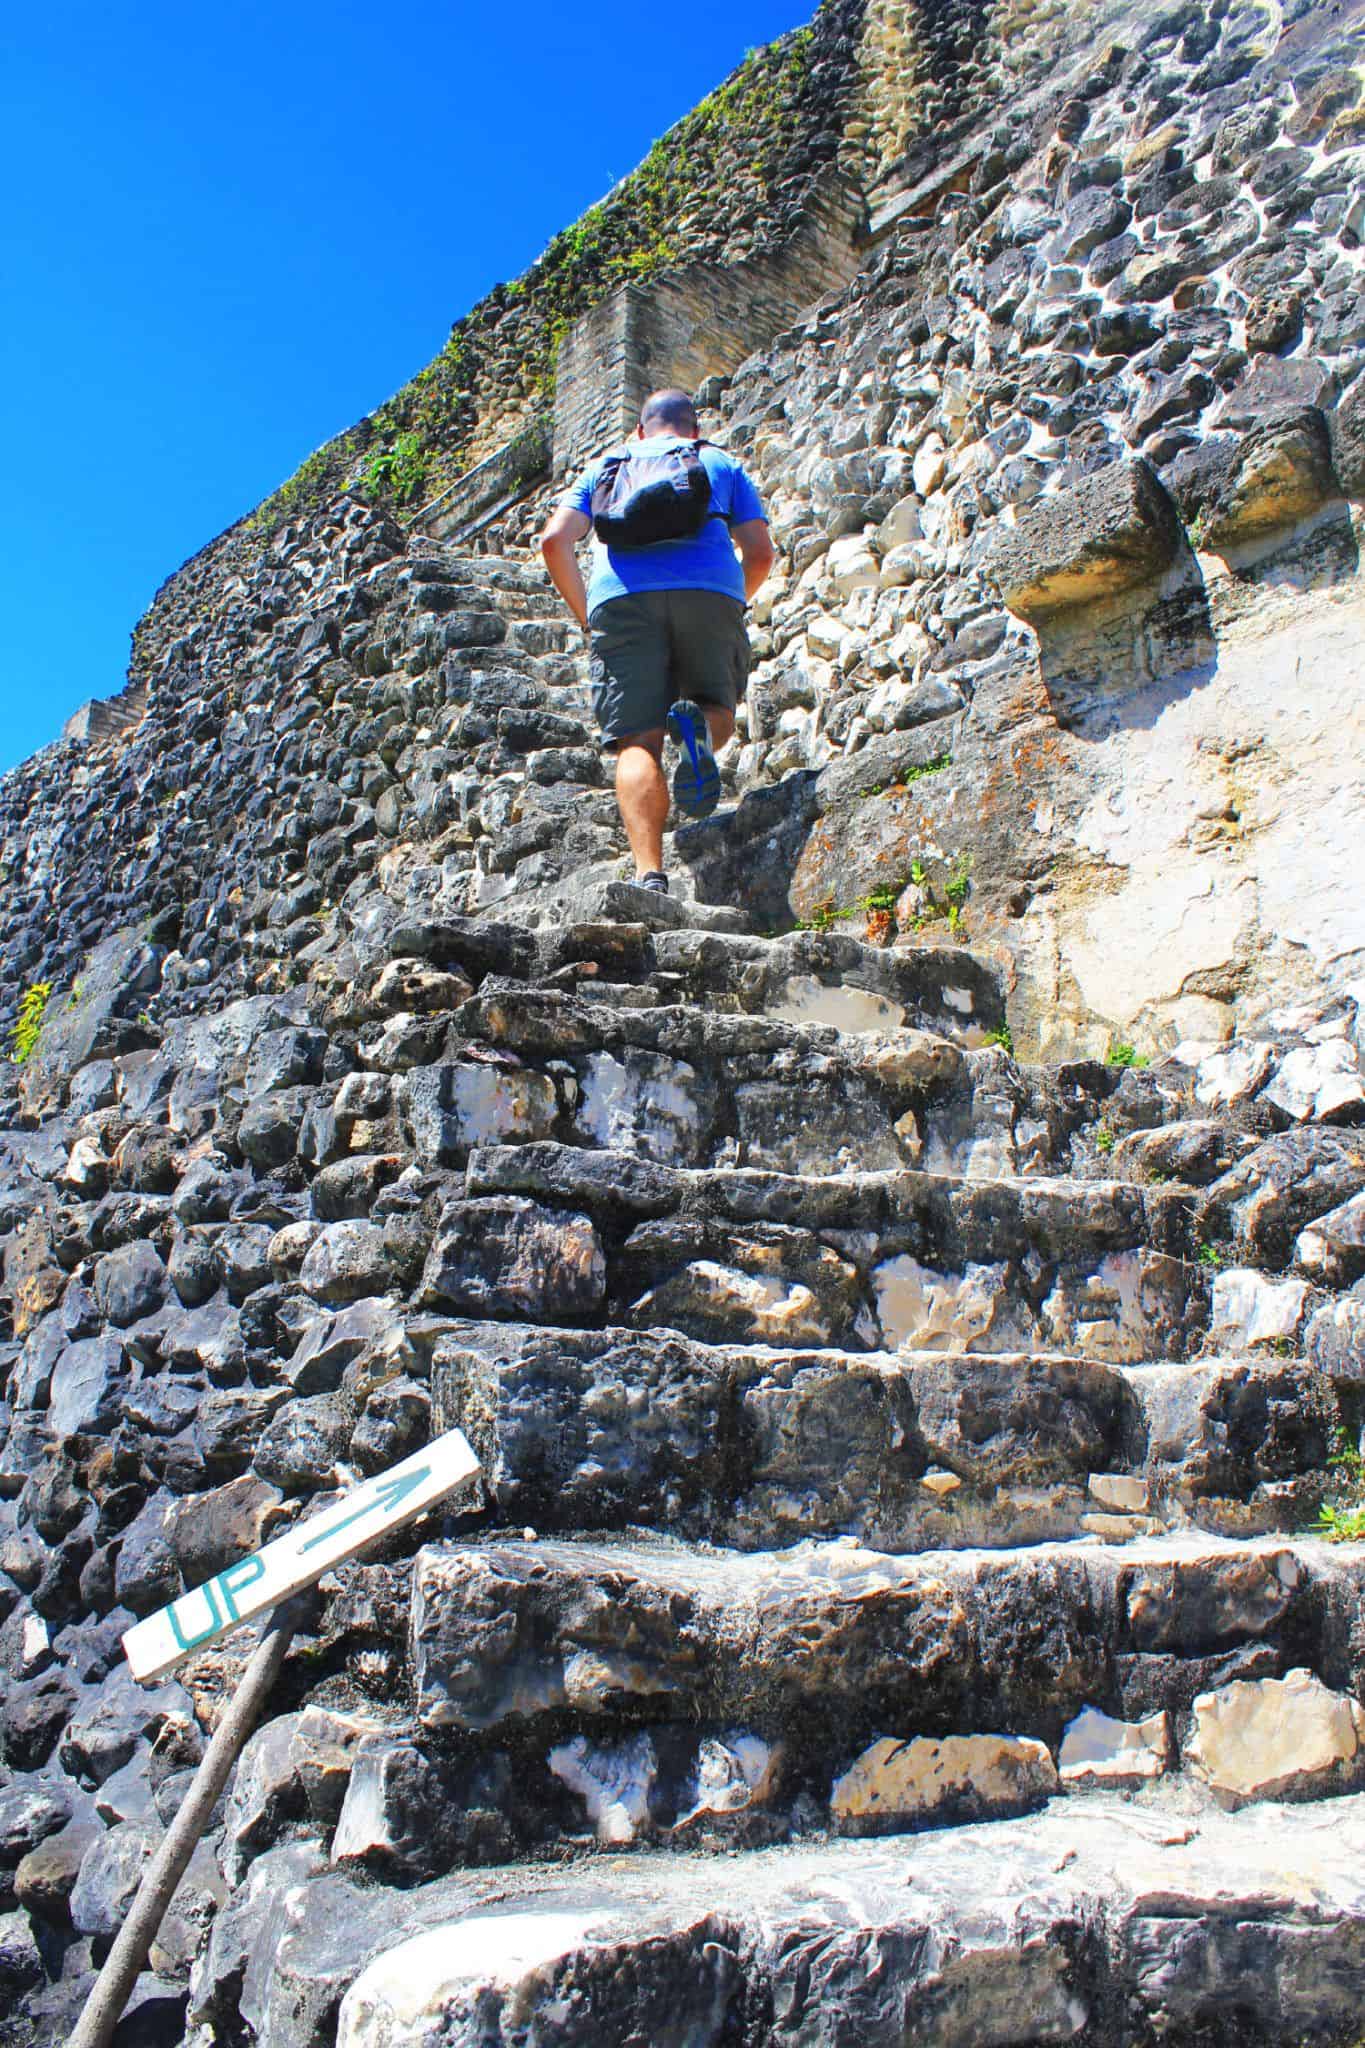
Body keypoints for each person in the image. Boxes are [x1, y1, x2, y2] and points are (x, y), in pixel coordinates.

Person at [540, 387, 775, 894]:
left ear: (641, 430)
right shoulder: (718, 461)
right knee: (717, 706)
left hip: (620, 602)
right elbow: (759, 552)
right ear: (694, 428)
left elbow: (554, 540)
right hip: (708, 590)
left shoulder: (606, 465)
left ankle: (650, 874)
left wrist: (587, 615)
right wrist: (732, 596)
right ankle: (698, 741)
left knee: (636, 741)